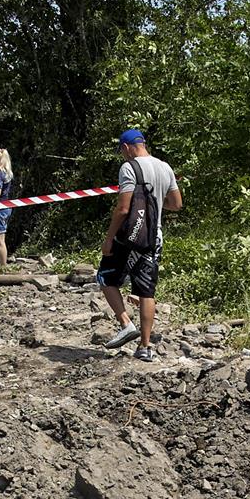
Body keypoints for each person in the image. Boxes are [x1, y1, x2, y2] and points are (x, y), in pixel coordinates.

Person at [98, 129, 182, 363]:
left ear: (126, 147)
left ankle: (126, 323)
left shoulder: (129, 168)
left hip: (129, 238)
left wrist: (108, 239)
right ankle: (145, 347)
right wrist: (154, 202)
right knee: (147, 291)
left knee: (105, 278)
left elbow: (123, 209)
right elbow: (176, 204)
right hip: (154, 238)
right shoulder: (165, 167)